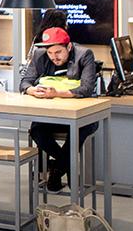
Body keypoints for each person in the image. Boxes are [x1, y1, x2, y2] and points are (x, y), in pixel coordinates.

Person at [20, 27, 99, 192]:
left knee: (76, 132)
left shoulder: (84, 55)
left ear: (69, 47)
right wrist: (32, 90)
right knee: (36, 130)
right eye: (50, 53)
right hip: (52, 115)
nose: (54, 57)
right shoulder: (39, 55)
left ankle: (56, 169)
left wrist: (57, 93)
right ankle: (64, 165)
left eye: (58, 52)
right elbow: (25, 82)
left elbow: (87, 88)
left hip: (84, 116)